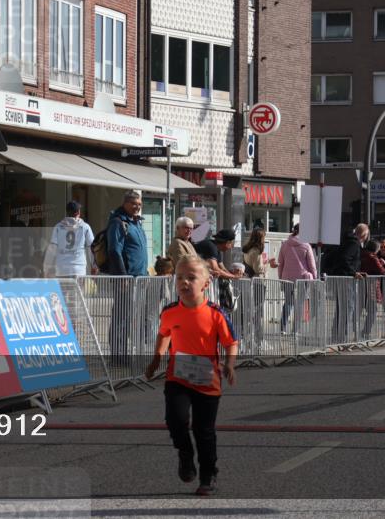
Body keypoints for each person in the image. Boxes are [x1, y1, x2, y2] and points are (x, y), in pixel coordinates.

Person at [144, 256, 238, 497]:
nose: (184, 282)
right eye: (179, 277)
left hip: (207, 382)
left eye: (191, 278)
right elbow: (164, 334)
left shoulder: (216, 314)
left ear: (205, 284)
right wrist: (157, 358)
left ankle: (208, 475)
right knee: (175, 420)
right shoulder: (170, 312)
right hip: (178, 377)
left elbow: (231, 342)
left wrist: (229, 364)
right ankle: (185, 454)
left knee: (203, 430)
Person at [106, 190, 148, 362]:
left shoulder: (136, 223)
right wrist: (123, 276)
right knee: (121, 317)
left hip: (138, 278)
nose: (137, 207)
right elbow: (114, 251)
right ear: (125, 203)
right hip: (126, 278)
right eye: (133, 203)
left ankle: (124, 352)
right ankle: (117, 355)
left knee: (129, 316)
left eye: (139, 204)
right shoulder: (118, 222)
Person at [327, 223, 369, 342]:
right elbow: (345, 259)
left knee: (342, 308)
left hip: (343, 278)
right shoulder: (354, 243)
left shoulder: (347, 241)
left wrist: (357, 271)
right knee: (347, 308)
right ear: (364, 234)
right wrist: (353, 273)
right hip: (346, 280)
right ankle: (341, 337)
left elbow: (346, 260)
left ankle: (337, 335)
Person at [277, 224, 317, 334]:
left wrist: (280, 277)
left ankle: (282, 328)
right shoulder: (306, 246)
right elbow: (312, 265)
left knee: (288, 303)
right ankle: (295, 330)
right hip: (302, 279)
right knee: (299, 304)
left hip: (287, 278)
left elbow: (280, 263)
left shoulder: (285, 244)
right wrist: (315, 276)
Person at [242, 228, 276, 351]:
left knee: (251, 312)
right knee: (257, 313)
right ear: (261, 237)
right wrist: (268, 264)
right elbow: (258, 269)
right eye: (264, 237)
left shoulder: (247, 249)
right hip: (258, 283)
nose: (265, 239)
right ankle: (259, 340)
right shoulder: (256, 251)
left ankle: (250, 340)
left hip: (250, 282)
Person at [43, 201, 96, 278]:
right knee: (78, 290)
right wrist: (94, 265)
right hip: (79, 269)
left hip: (61, 269)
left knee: (63, 290)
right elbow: (91, 247)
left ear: (67, 212)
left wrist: (46, 268)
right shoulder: (85, 227)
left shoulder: (58, 227)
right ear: (78, 212)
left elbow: (52, 248)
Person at [359, 239, 385, 339]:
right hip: (370, 287)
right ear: (376, 249)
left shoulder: (360, 254)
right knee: (372, 310)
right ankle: (365, 332)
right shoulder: (373, 258)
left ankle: (353, 330)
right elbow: (382, 271)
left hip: (359, 286)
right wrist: (382, 263)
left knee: (358, 310)